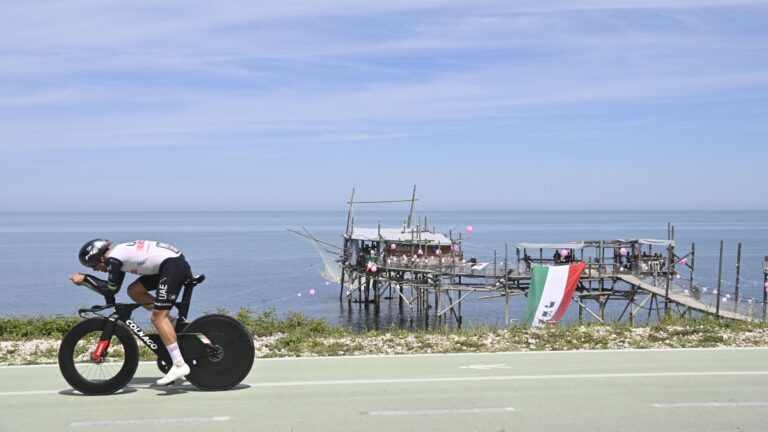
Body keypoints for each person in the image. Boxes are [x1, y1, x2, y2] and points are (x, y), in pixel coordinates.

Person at [69, 239, 193, 386]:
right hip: (170, 265)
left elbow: (110, 289)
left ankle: (179, 365)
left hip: (172, 266)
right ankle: (171, 322)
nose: (95, 270)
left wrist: (85, 278)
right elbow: (112, 289)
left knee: (157, 319)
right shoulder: (116, 258)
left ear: (100, 257)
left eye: (93, 265)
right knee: (134, 291)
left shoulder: (114, 260)